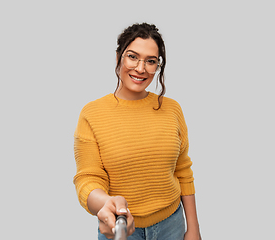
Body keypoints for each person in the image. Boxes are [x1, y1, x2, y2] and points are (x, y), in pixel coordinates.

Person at [73, 22, 202, 240]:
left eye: (151, 61)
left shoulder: (172, 109)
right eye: (132, 57)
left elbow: (183, 170)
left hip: (173, 225)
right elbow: (88, 178)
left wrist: (194, 229)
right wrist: (106, 204)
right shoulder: (92, 114)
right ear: (118, 57)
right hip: (120, 228)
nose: (141, 69)